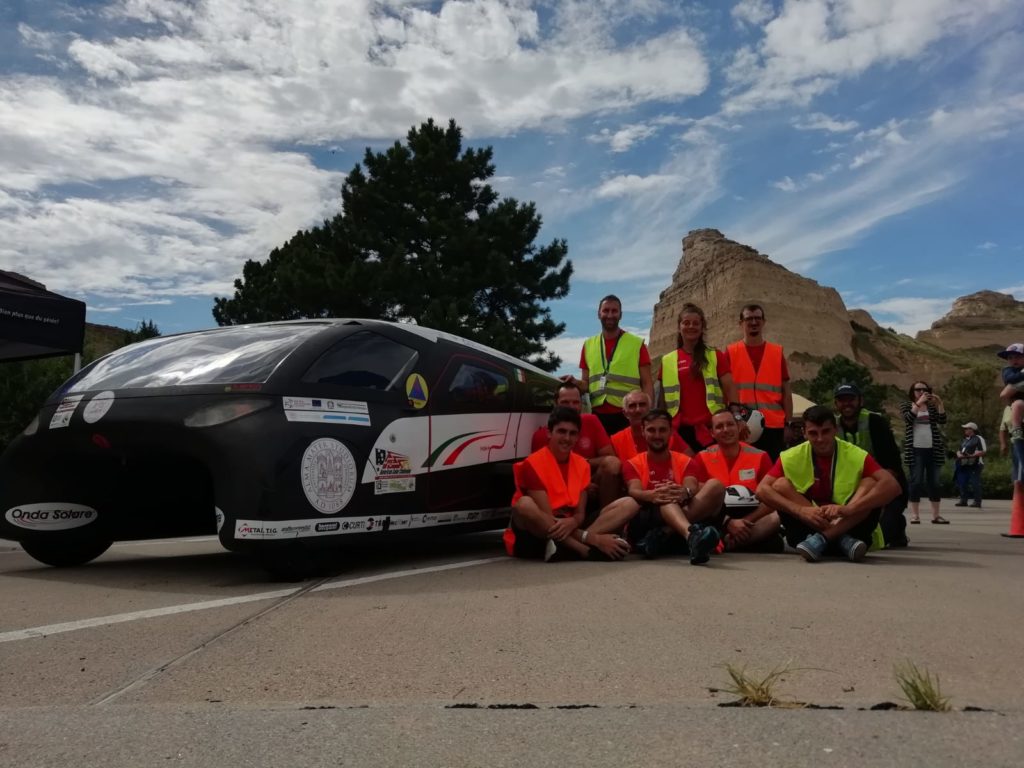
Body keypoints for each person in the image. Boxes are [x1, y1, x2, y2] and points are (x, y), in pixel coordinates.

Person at [757, 405, 901, 562]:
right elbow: (761, 490)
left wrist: (848, 509)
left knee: (871, 483)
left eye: (825, 431)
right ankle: (840, 539)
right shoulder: (790, 456)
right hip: (810, 528)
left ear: (835, 430)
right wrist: (801, 511)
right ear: (804, 433)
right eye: (813, 433)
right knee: (779, 485)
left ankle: (825, 538)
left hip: (849, 525)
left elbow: (892, 486)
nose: (820, 439)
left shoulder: (856, 454)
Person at [582, 409, 725, 565]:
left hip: (679, 516)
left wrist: (685, 492)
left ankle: (670, 534)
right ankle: (691, 536)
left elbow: (690, 484)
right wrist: (653, 495)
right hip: (645, 519)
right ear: (643, 432)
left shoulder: (686, 461)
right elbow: (633, 490)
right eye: (651, 430)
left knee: (715, 485)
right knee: (666, 498)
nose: (657, 435)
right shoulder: (633, 463)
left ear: (671, 432)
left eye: (662, 430)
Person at [685, 409, 782, 551]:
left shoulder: (760, 456)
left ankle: (726, 542)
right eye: (719, 427)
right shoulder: (702, 457)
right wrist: (727, 522)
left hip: (749, 518)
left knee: (775, 518)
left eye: (730, 424)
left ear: (738, 427)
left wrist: (746, 521)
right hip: (717, 518)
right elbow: (699, 499)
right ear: (712, 433)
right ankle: (733, 541)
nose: (725, 430)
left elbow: (771, 498)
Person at [504, 407, 593, 561]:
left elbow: (580, 514)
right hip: (537, 530)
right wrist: (593, 539)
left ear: (578, 436)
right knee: (524, 504)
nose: (567, 438)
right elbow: (548, 519)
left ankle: (565, 549)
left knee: (627, 504)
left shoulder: (583, 465)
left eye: (572, 433)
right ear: (549, 433)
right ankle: (584, 550)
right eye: (561, 431)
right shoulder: (532, 463)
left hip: (569, 526)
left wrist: (573, 522)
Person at [833, 382, 909, 547]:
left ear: (861, 401)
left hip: (884, 489)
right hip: (850, 490)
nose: (846, 404)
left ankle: (897, 525)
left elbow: (893, 467)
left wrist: (877, 500)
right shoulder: (833, 427)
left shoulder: (875, 422)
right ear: (836, 404)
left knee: (880, 537)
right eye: (842, 400)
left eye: (851, 399)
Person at [569, 295, 653, 435]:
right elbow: (586, 384)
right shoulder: (588, 345)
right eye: (606, 310)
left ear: (620, 315)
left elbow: (647, 383)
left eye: (614, 311)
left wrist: (647, 413)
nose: (610, 315)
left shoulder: (636, 344)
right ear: (598, 314)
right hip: (598, 415)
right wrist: (574, 382)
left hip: (628, 415)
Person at [658, 303, 736, 454]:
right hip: (679, 430)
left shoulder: (715, 355)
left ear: (702, 327)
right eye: (686, 323)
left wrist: (737, 417)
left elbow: (730, 388)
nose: (691, 326)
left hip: (713, 428)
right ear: (679, 327)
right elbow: (662, 400)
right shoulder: (667, 360)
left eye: (696, 323)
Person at [531, 383, 621, 509]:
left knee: (613, 463)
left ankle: (607, 516)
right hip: (562, 489)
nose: (571, 407)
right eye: (565, 402)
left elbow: (610, 457)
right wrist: (580, 485)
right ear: (555, 403)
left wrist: (582, 465)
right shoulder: (540, 435)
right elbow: (541, 475)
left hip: (593, 483)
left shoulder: (591, 421)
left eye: (576, 402)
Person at [726, 304, 794, 461]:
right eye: (749, 319)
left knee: (773, 475)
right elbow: (726, 392)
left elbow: (786, 392)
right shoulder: (731, 352)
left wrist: (788, 424)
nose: (754, 322)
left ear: (764, 322)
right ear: (741, 323)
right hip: (744, 425)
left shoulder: (776, 352)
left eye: (758, 318)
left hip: (774, 426)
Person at [900, 381, 948, 524]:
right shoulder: (907, 405)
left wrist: (940, 403)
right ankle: (915, 515)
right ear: (912, 392)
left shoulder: (931, 408)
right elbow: (908, 419)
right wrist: (918, 403)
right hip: (915, 449)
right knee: (916, 482)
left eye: (924, 389)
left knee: (934, 482)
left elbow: (942, 420)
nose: (921, 391)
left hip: (933, 449)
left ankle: (936, 515)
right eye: (918, 389)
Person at [609, 389, 690, 463]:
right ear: (625, 413)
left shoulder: (668, 434)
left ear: (650, 409)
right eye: (632, 406)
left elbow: (691, 461)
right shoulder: (616, 440)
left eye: (642, 404)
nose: (638, 410)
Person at [997, 343, 1024, 490]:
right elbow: (1010, 381)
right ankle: (1017, 429)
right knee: (1018, 405)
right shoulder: (1008, 370)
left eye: (1018, 357)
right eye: (1010, 357)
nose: (1014, 360)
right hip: (1018, 403)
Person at [955, 422, 986, 508]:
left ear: (972, 429)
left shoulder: (978, 438)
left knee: (974, 482)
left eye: (966, 428)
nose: (965, 430)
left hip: (975, 464)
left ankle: (977, 501)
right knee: (963, 482)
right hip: (964, 463)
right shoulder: (965, 440)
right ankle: (963, 500)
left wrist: (972, 455)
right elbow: (959, 450)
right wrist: (959, 454)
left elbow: (983, 451)